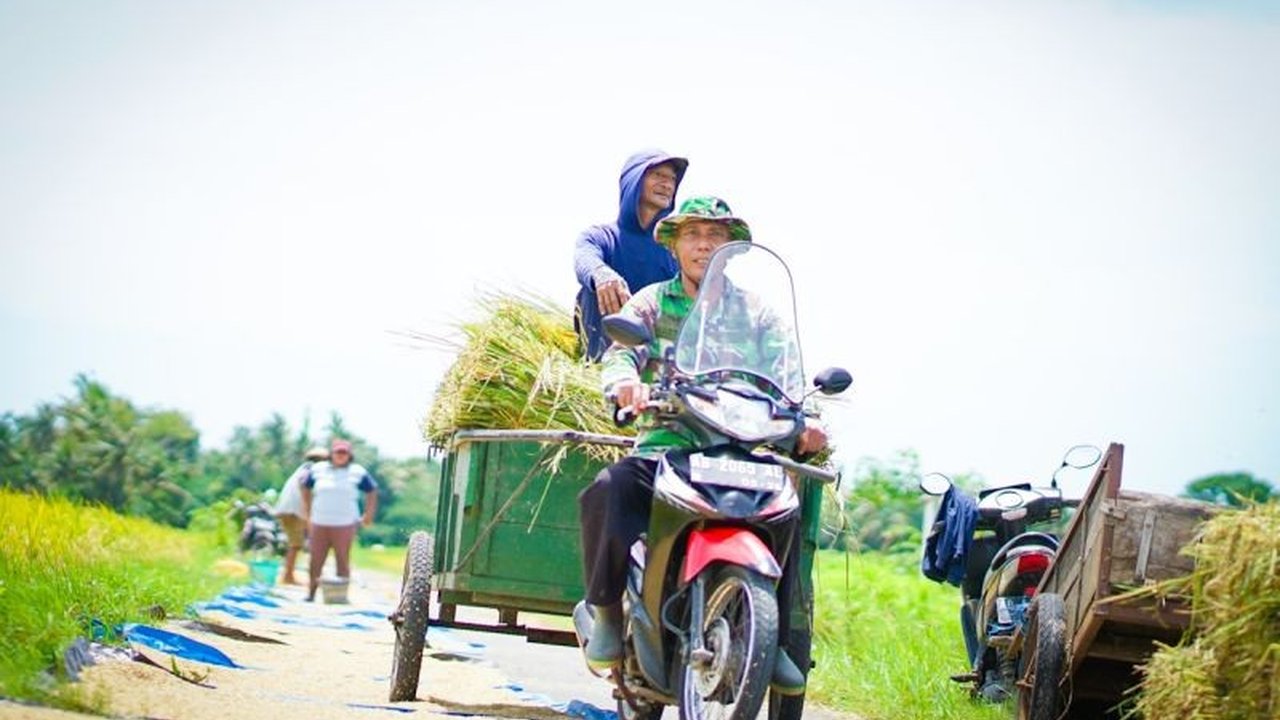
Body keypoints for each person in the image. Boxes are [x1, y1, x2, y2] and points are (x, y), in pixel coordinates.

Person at [578, 196, 828, 695]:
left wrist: (808, 420)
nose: (704, 245)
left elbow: (789, 376)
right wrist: (626, 385)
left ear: (731, 248)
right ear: (674, 246)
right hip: (666, 446)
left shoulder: (757, 313)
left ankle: (773, 633)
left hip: (739, 451)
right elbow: (622, 353)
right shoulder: (651, 302)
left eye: (715, 236)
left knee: (786, 509)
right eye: (693, 235)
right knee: (609, 488)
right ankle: (604, 610)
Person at [574, 149, 689, 361]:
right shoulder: (601, 236)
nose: (668, 185)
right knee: (592, 284)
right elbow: (584, 257)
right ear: (633, 180)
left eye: (672, 179)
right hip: (601, 359)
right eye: (658, 175)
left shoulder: (674, 250)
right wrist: (601, 275)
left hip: (655, 365)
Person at [300, 439, 378, 601]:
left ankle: (340, 595)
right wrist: (307, 511)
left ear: (349, 455)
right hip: (319, 521)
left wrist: (368, 514)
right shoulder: (318, 469)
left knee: (342, 559)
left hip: (345, 523)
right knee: (316, 559)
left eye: (344, 453)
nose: (341, 455)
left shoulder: (357, 471)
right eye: (338, 452)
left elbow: (372, 490)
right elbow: (305, 485)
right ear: (332, 454)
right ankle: (311, 593)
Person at [273, 446, 329, 585]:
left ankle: (292, 574)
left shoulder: (304, 468)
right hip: (294, 510)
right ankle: (288, 576)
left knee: (296, 543)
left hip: (290, 509)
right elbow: (305, 489)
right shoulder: (311, 470)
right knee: (295, 544)